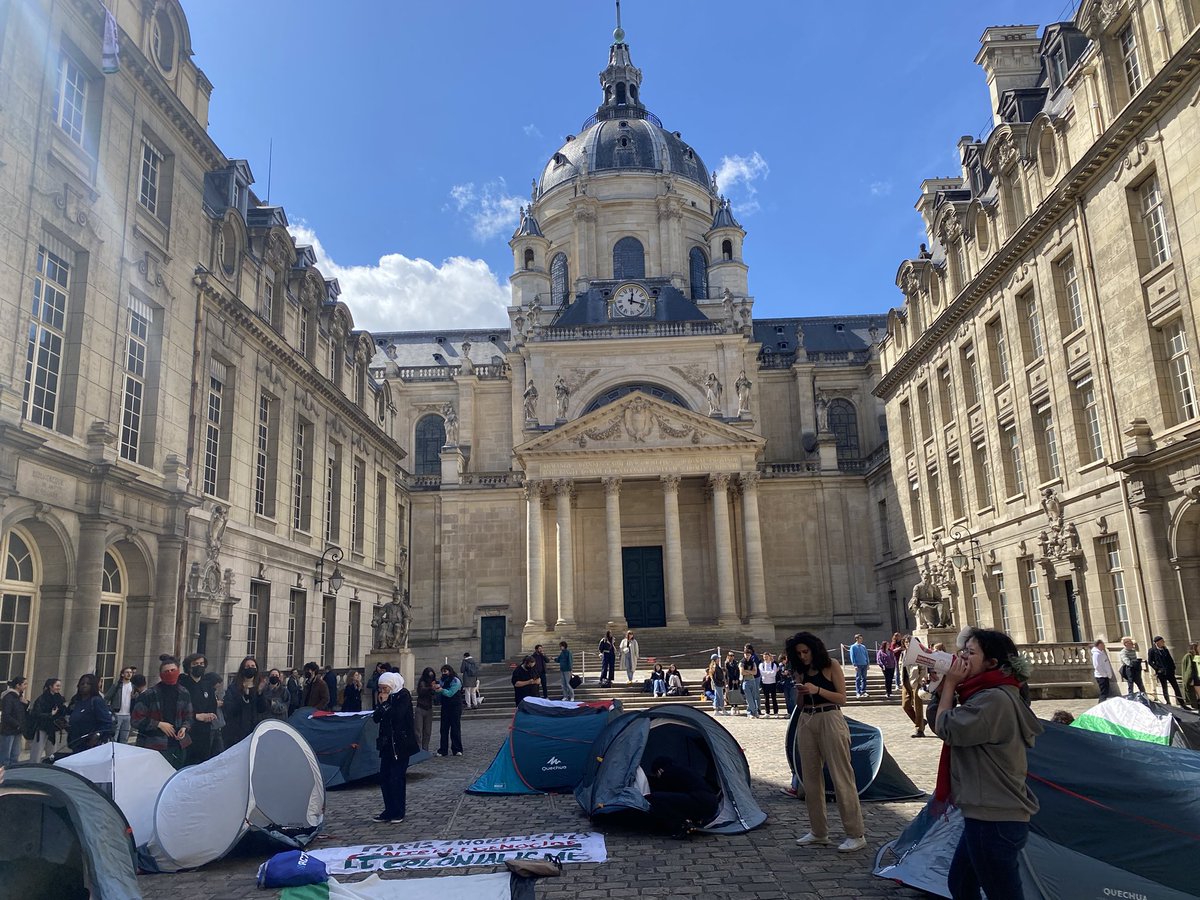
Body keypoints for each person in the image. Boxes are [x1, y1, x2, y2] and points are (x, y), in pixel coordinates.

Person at [935, 628, 1043, 900]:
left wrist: (948, 686)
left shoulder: (993, 699)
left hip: (994, 817)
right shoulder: (988, 693)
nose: (962, 657)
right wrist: (943, 689)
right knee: (960, 883)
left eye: (970, 653)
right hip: (987, 814)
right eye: (963, 651)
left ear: (992, 663)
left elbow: (947, 727)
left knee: (1002, 894)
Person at [787, 631, 867, 853]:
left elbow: (842, 697)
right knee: (810, 778)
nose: (803, 656)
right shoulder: (801, 670)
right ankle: (818, 831)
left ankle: (855, 833)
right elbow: (801, 705)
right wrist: (801, 690)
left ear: (814, 649)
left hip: (830, 717)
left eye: (806, 651)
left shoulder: (831, 665)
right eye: (799, 653)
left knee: (841, 776)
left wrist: (818, 689)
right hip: (806, 719)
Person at [372, 671, 418, 824]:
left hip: (401, 744)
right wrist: (381, 703)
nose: (382, 692)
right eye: (381, 688)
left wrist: (386, 704)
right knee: (384, 777)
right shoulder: (385, 697)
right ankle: (389, 809)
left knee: (396, 777)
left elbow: (398, 715)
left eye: (385, 688)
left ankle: (399, 811)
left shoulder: (402, 695)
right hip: (387, 744)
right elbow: (376, 718)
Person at [132, 656, 195, 768]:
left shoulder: (184, 692)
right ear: (161, 674)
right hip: (154, 745)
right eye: (166, 671)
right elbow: (136, 720)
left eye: (173, 670)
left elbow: (189, 716)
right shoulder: (149, 694)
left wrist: (184, 728)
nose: (170, 673)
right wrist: (158, 724)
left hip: (179, 744)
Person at [645, 755, 720, 839]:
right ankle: (693, 822)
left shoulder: (667, 773)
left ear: (659, 770)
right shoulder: (682, 769)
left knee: (657, 798)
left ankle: (680, 826)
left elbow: (667, 795)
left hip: (700, 801)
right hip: (711, 804)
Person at [181, 652, 222, 763]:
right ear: (189, 667)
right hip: (187, 731)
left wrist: (209, 715)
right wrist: (196, 716)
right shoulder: (182, 684)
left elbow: (212, 705)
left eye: (202, 664)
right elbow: (179, 708)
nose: (199, 666)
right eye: (195, 664)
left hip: (204, 732)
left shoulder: (207, 685)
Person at [222, 655, 268, 746]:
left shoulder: (261, 686)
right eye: (247, 666)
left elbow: (263, 709)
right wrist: (244, 697)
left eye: (252, 666)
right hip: (236, 731)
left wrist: (259, 693)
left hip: (254, 729)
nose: (250, 668)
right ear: (242, 669)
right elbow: (229, 709)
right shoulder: (234, 687)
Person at [67, 673, 113, 752]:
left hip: (91, 744)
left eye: (88, 684)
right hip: (76, 742)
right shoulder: (76, 701)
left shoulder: (96, 701)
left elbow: (107, 723)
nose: (84, 685)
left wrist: (97, 735)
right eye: (82, 683)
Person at [26, 678, 66, 763]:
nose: (59, 688)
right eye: (57, 686)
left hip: (53, 727)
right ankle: (33, 767)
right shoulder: (41, 699)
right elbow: (36, 714)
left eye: (59, 686)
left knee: (52, 751)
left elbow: (62, 712)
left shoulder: (60, 698)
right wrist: (50, 714)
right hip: (41, 727)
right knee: (37, 750)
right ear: (50, 687)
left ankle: (50, 767)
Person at [433, 664, 463, 756]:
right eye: (442, 671)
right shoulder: (442, 680)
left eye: (445, 671)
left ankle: (457, 749)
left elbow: (450, 693)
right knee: (444, 729)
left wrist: (441, 690)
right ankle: (443, 749)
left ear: (450, 671)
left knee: (455, 728)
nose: (443, 673)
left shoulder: (456, 681)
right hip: (445, 706)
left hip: (455, 706)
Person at [899, 635, 926, 737]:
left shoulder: (918, 654)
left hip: (916, 682)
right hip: (905, 682)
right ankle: (921, 721)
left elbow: (923, 668)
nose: (907, 644)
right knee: (905, 705)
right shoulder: (903, 654)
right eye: (906, 642)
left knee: (918, 706)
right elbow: (900, 667)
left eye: (909, 642)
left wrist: (921, 680)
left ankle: (919, 729)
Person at [1147, 636, 1185, 706]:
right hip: (1161, 672)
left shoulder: (1165, 649)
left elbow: (1170, 659)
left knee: (1176, 687)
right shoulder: (1152, 650)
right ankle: (1168, 702)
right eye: (1162, 641)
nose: (1163, 643)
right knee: (1164, 687)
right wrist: (1157, 669)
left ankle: (1182, 703)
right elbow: (1150, 661)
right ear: (1157, 642)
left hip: (1169, 671)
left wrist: (1173, 667)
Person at [104, 666, 136, 744]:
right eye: (127, 672)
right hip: (117, 714)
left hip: (128, 715)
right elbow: (107, 697)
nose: (129, 674)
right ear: (122, 674)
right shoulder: (117, 685)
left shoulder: (133, 686)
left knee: (124, 738)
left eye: (131, 672)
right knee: (114, 737)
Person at [0, 676, 28, 765]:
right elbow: (6, 715)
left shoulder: (18, 697)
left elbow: (22, 712)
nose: (26, 686)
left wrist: (26, 704)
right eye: (24, 684)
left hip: (17, 729)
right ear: (17, 685)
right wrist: (17, 724)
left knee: (15, 755)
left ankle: (12, 773)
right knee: (6, 756)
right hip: (9, 729)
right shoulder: (9, 697)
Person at [414, 667, 437, 751]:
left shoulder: (433, 683)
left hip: (429, 708)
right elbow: (421, 691)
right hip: (420, 707)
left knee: (427, 731)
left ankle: (425, 749)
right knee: (418, 730)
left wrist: (435, 690)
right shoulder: (422, 682)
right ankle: (418, 749)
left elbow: (435, 697)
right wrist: (431, 688)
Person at [740, 645, 762, 718]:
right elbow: (742, 672)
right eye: (746, 655)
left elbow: (755, 672)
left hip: (752, 681)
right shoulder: (742, 662)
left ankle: (750, 712)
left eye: (749, 655)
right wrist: (750, 672)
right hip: (746, 681)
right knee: (749, 698)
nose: (747, 656)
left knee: (753, 697)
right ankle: (754, 711)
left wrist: (747, 671)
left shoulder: (752, 662)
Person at [1183, 642, 1200, 706]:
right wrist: (1190, 679)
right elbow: (1191, 669)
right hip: (1196, 678)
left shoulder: (1196, 656)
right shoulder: (1189, 656)